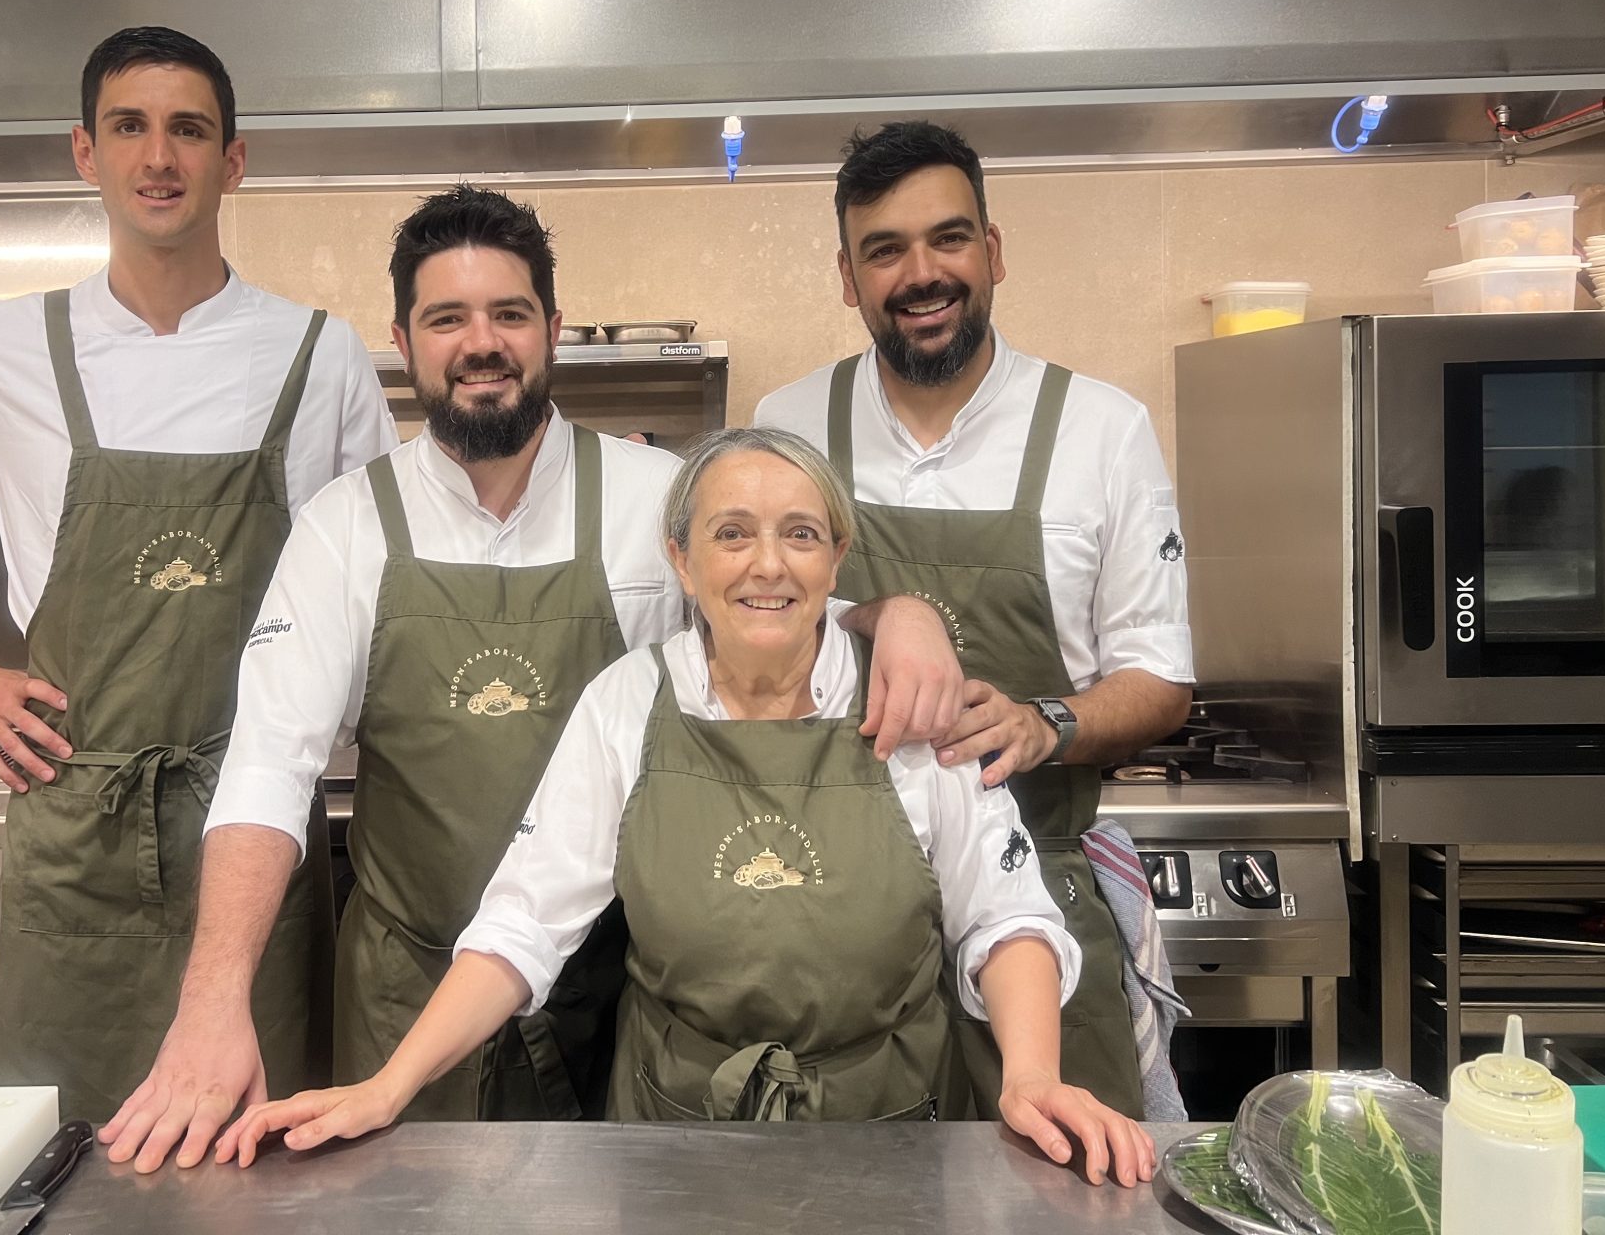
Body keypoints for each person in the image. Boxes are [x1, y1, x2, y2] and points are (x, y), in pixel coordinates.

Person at [102, 187, 970, 1171]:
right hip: (408, 992)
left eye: (508, 314)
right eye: (446, 319)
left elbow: (775, 616)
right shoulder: (344, 525)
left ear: (550, 329)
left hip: (605, 993)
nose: (482, 343)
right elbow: (266, 767)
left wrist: (894, 616)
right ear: (403, 340)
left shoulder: (652, 500)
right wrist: (213, 1008)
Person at [221, 428, 1155, 1187]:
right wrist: (388, 1087)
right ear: (681, 557)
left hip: (887, 1135)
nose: (767, 565)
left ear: (838, 557)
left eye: (799, 533)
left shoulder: (906, 707)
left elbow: (1007, 917)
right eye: (732, 532)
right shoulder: (629, 704)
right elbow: (522, 924)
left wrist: (1032, 1077)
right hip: (666, 1135)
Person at [0, 26, 397, 1124]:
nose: (159, 157)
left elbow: (379, 574)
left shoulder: (313, 355)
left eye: (188, 130)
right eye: (130, 128)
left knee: (260, 1160)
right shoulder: (6, 344)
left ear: (233, 162)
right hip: (75, 818)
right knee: (67, 1155)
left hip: (254, 823)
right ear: (84, 153)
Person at [753, 120, 1195, 1119]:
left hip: (1040, 898)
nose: (920, 273)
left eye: (947, 239)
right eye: (884, 250)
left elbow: (1158, 676)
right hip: (834, 915)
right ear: (846, 276)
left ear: (991, 252)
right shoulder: (787, 425)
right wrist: (887, 612)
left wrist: (1050, 724)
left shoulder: (1101, 430)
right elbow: (738, 627)